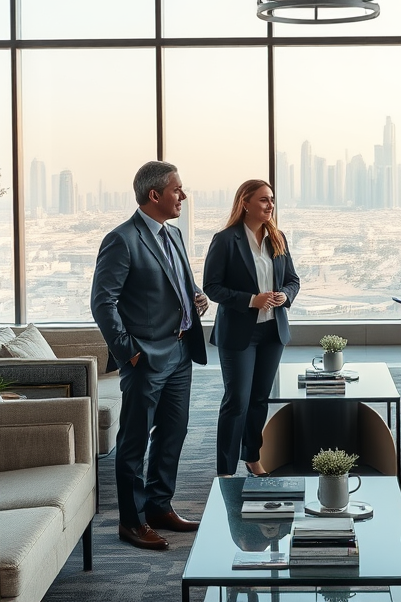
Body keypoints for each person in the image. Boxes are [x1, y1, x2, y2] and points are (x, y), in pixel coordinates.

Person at [90, 161, 210, 551]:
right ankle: (132, 521)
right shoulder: (121, 239)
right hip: (145, 357)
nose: (183, 196)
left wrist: (197, 298)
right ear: (154, 195)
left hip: (180, 352)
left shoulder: (173, 234)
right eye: (177, 189)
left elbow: (181, 282)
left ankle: (160, 506)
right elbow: (102, 303)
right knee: (134, 441)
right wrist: (129, 353)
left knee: (173, 433)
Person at [203, 179, 300, 477]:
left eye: (271, 199)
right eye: (263, 200)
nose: (270, 205)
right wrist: (250, 300)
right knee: (237, 401)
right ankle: (225, 469)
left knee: (259, 399)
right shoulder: (225, 239)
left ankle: (251, 456)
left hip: (272, 332)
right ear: (245, 202)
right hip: (239, 335)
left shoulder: (277, 237)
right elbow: (212, 287)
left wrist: (285, 295)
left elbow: (293, 280)